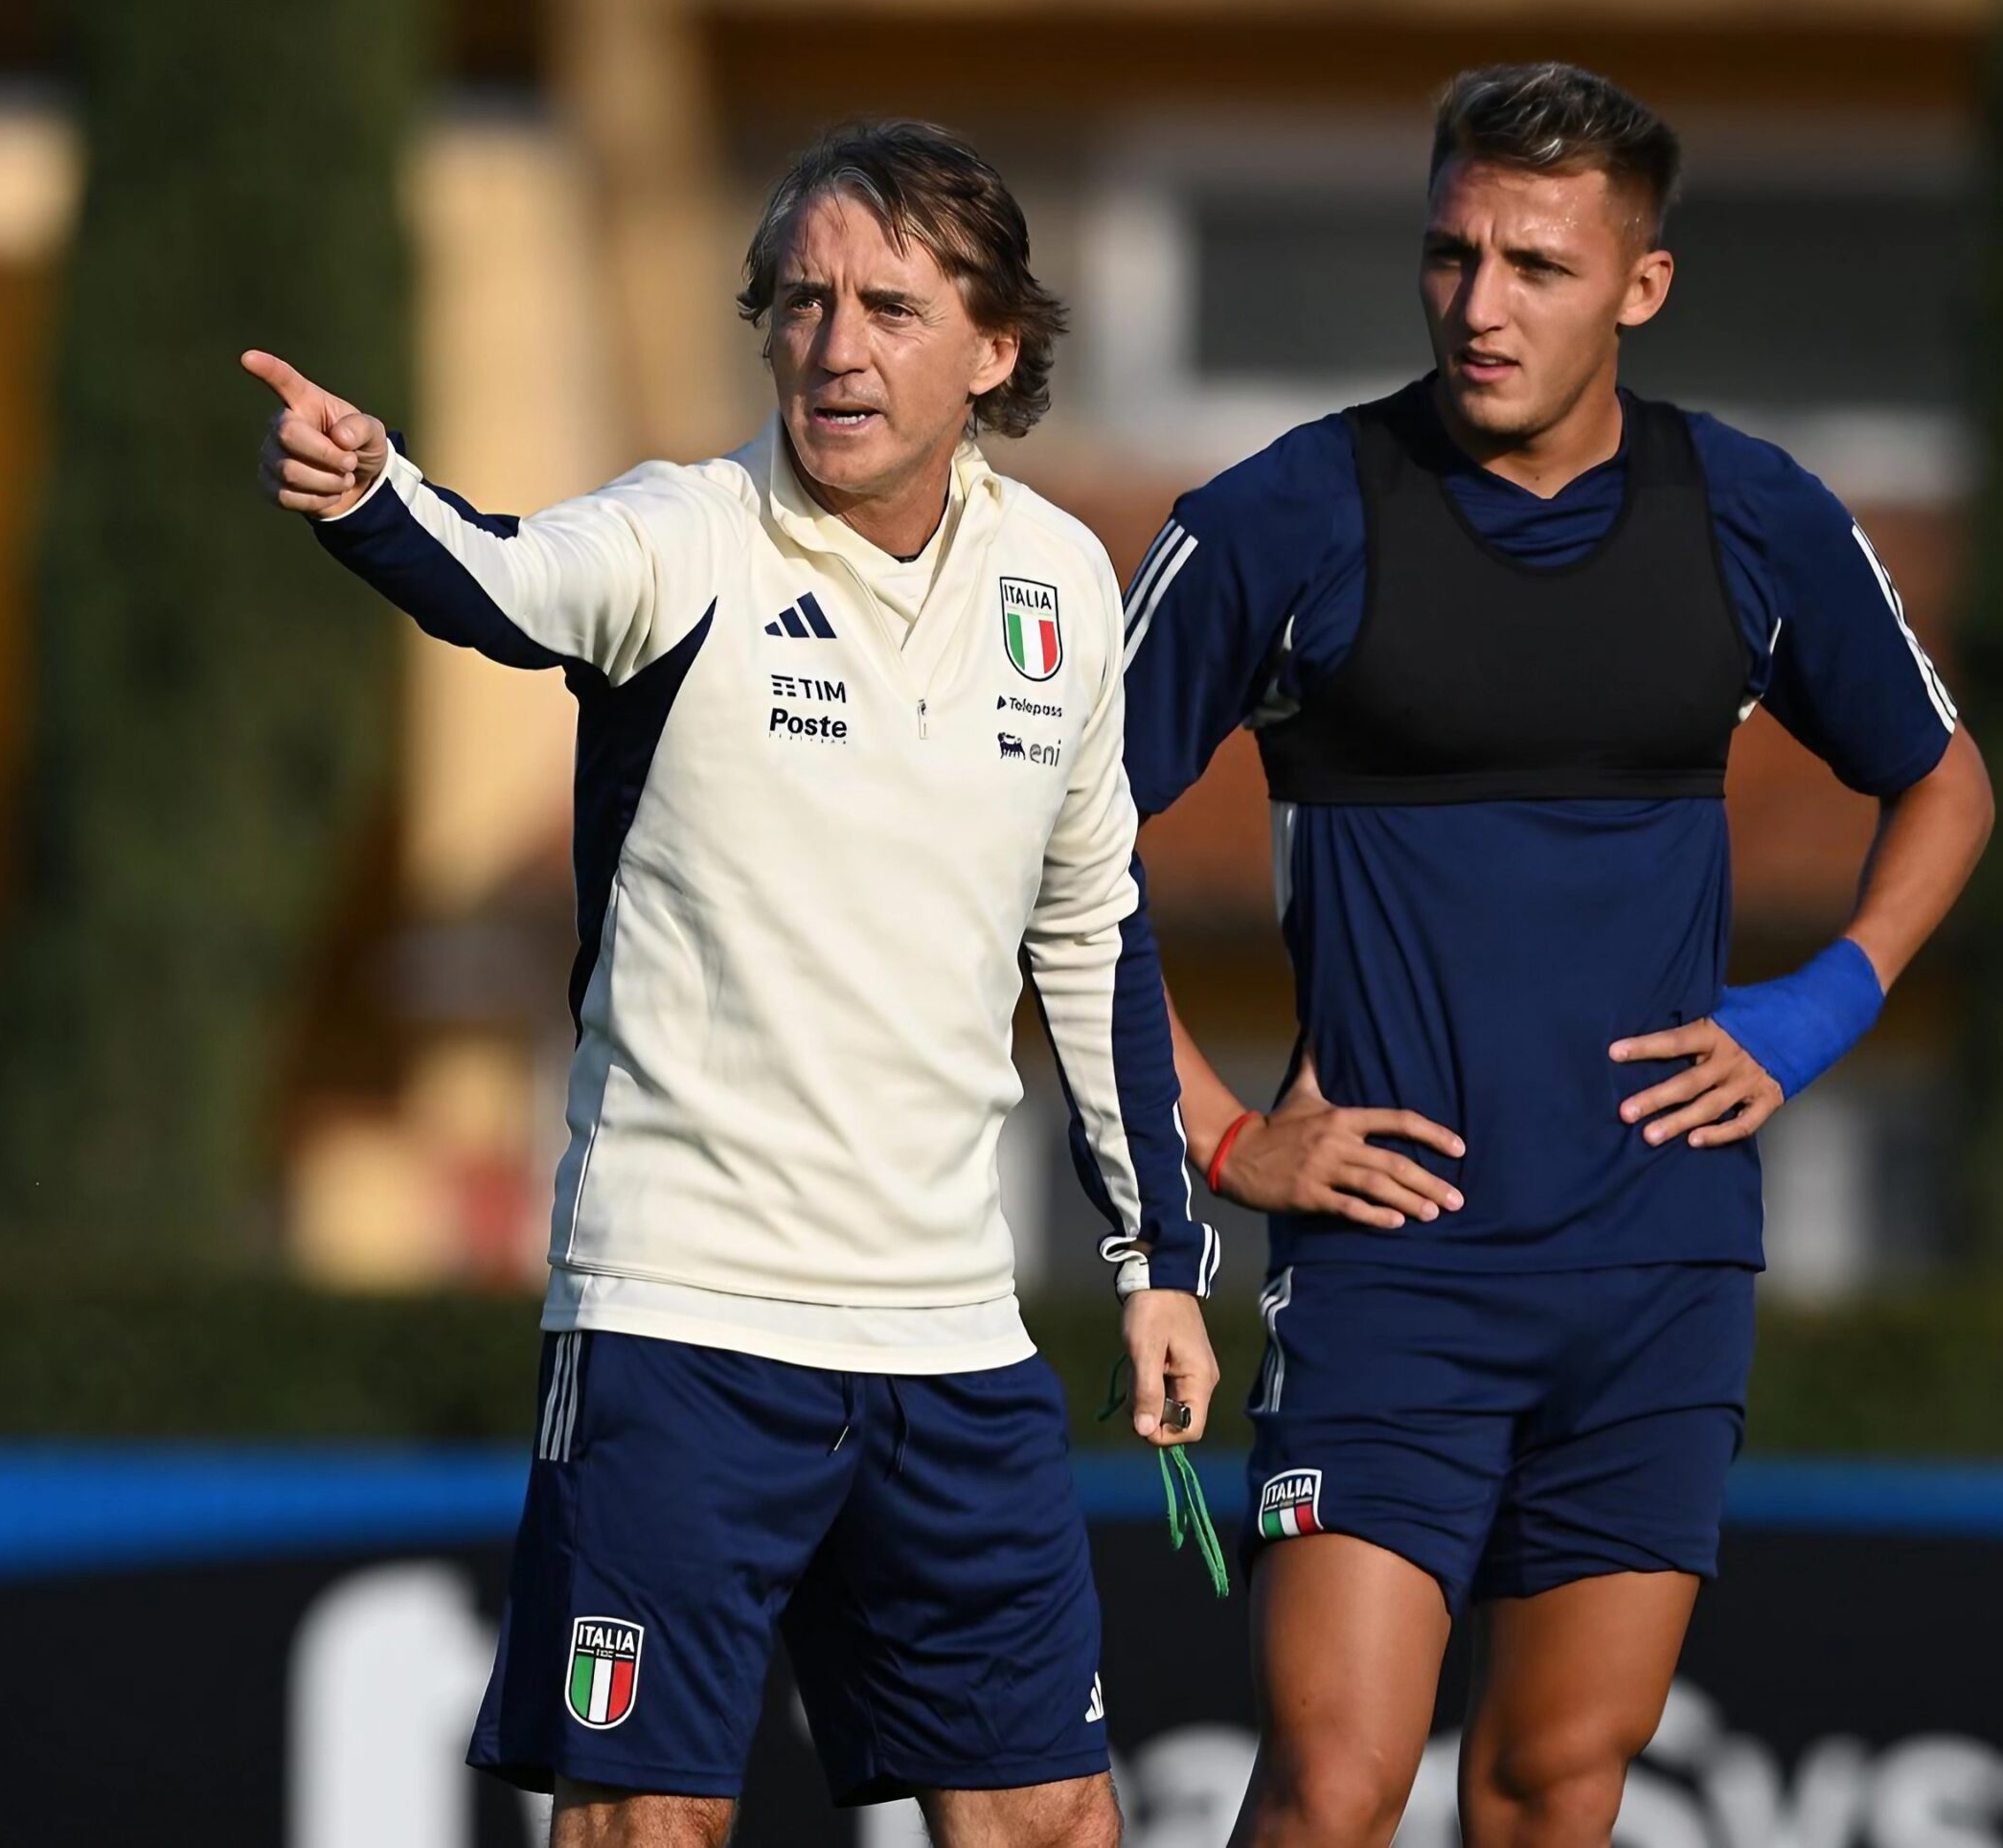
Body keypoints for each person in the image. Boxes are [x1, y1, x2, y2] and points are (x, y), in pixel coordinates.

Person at [247, 119, 1218, 1848]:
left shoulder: (1063, 583)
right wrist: (377, 494)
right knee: (644, 1826)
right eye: (803, 300)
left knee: (1056, 1818)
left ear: (997, 349)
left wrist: (1158, 1266)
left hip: (948, 1334)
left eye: (892, 307)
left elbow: (1097, 934)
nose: (837, 345)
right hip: (684, 1324)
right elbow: (509, 578)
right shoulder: (686, 534)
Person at [1118, 64, 1995, 1848]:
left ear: (1641, 287)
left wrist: (1821, 1009)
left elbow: (1948, 787)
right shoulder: (1284, 517)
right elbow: (1042, 847)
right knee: (1334, 1784)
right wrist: (1214, 1133)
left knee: (1551, 1785)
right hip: (1389, 1276)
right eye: (1452, 255)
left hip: (1658, 1268)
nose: (1482, 304)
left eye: (1537, 264)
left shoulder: (1755, 517)